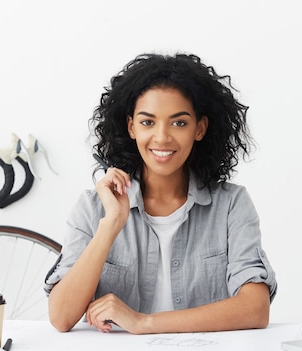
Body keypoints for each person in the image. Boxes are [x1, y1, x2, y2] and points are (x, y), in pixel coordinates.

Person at [45, 52, 277, 334]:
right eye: (147, 122)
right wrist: (111, 225)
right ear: (131, 127)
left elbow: (255, 308)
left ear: (200, 128)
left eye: (179, 123)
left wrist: (143, 322)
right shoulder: (94, 208)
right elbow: (61, 317)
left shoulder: (231, 205)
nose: (162, 137)